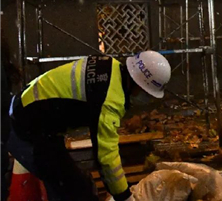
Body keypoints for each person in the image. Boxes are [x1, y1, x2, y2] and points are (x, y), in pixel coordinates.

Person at [7, 51, 171, 201]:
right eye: (146, 93)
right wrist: (125, 197)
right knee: (72, 192)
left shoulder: (110, 66)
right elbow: (107, 158)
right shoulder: (109, 100)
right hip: (27, 130)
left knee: (76, 185)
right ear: (138, 84)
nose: (145, 99)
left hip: (30, 116)